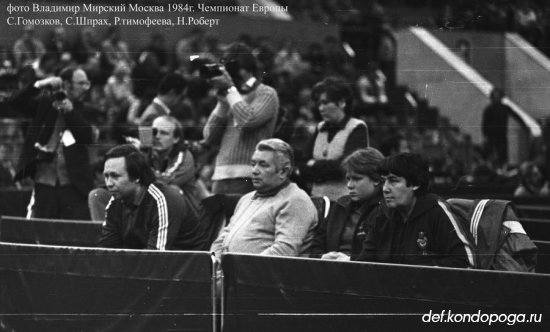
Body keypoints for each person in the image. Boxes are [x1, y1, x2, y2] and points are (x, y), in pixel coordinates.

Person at [7, 66, 96, 220]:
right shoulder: (45, 102)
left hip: (73, 183)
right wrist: (39, 84)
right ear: (67, 84)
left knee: (73, 232)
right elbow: (14, 102)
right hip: (44, 181)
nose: (85, 88)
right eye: (81, 83)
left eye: (87, 83)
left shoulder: (86, 109)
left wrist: (70, 111)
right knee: (41, 229)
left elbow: (88, 137)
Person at [356, 153, 469, 268]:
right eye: (383, 181)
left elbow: (466, 262)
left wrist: (421, 273)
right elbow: (364, 263)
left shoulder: (439, 213)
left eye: (393, 181)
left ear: (415, 184)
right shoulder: (381, 214)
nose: (385, 188)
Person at [210, 139, 318, 259]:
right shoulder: (247, 198)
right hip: (230, 274)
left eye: (263, 165)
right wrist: (216, 265)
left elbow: (284, 251)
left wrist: (238, 269)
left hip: (262, 275)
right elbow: (222, 239)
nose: (254, 171)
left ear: (283, 171)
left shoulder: (295, 201)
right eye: (253, 164)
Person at [203, 42, 279, 195]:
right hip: (220, 175)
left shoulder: (266, 93)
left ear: (247, 69)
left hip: (248, 175)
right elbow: (209, 137)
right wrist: (222, 104)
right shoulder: (231, 95)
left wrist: (230, 90)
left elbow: (248, 120)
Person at [98, 144, 206, 250]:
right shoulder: (115, 201)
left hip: (187, 264)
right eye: (106, 176)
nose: (108, 183)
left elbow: (155, 257)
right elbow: (105, 250)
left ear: (136, 176)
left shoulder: (163, 199)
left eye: (115, 176)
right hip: (149, 261)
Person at [300, 76, 369, 200]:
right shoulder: (320, 127)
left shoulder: (357, 127)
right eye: (319, 104)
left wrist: (314, 164)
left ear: (342, 103)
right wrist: (329, 166)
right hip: (317, 200)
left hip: (344, 202)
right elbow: (303, 166)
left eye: (325, 103)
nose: (321, 108)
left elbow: (346, 167)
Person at [310, 148, 384, 261]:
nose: (349, 185)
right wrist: (322, 257)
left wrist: (351, 260)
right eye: (348, 179)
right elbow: (317, 244)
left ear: (376, 180)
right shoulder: (340, 205)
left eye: (356, 179)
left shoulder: (386, 211)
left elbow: (384, 256)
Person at [482, 88, 512, 166]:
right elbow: (484, 124)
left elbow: (516, 116)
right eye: (495, 95)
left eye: (498, 95)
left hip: (502, 135)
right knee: (492, 155)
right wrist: (485, 136)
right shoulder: (489, 109)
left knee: (503, 154)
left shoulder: (505, 108)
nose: (497, 97)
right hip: (492, 136)